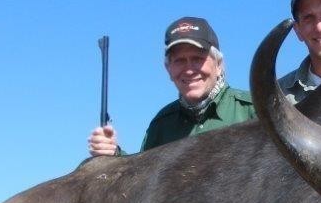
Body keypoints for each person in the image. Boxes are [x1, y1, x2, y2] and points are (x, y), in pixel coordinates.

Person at [87, 16, 255, 157]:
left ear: (218, 65)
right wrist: (112, 153)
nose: (189, 70)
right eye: (179, 61)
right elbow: (142, 181)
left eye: (197, 58)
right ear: (168, 69)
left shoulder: (253, 111)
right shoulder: (161, 125)